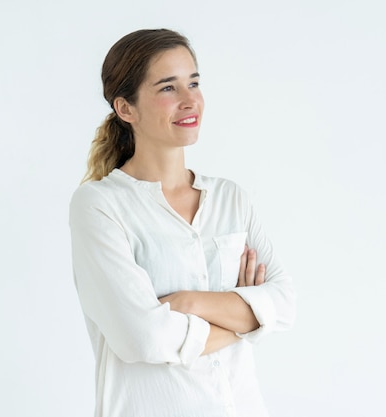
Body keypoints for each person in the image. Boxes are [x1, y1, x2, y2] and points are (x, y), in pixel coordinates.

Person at [69, 28, 296, 417]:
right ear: (126, 109)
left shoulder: (231, 199)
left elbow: (285, 305)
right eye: (168, 88)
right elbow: (143, 337)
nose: (191, 100)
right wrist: (246, 320)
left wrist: (189, 303)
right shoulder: (100, 206)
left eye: (194, 82)